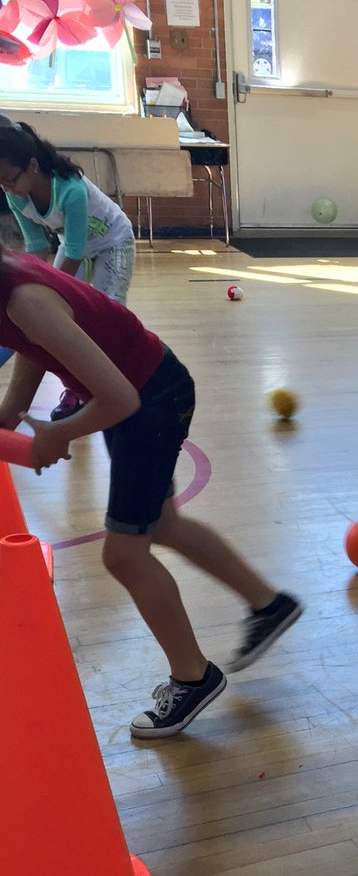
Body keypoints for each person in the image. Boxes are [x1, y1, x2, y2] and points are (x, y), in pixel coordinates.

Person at [0, 252, 302, 738]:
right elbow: (37, 346)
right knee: (162, 524)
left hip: (148, 401)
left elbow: (122, 399)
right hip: (145, 390)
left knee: (124, 555)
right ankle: (270, 605)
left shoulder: (24, 300)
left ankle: (194, 677)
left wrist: (60, 434)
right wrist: (11, 412)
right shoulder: (10, 283)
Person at [0, 122, 138, 418]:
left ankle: (120, 382)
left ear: (32, 166)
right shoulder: (15, 195)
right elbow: (36, 245)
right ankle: (76, 391)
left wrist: (44, 301)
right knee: (61, 320)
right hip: (74, 245)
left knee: (106, 315)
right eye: (1, 184)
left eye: (10, 180)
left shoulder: (71, 190)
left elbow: (74, 252)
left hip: (113, 242)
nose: (7, 189)